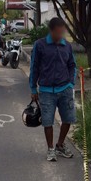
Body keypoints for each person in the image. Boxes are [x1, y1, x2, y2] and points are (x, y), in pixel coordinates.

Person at [29, 17, 76, 162]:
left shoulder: (67, 46)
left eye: (62, 32)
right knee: (47, 121)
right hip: (46, 90)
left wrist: (71, 83)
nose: (60, 35)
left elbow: (72, 65)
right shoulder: (40, 45)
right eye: (58, 32)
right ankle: (50, 149)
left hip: (65, 89)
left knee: (68, 119)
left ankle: (60, 145)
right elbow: (34, 66)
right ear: (51, 31)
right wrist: (33, 88)